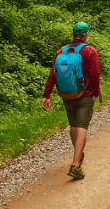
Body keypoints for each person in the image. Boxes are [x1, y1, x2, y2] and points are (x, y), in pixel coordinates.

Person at [41, 22, 100, 180]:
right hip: (85, 95)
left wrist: (47, 95)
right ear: (86, 35)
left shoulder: (60, 51)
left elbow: (53, 74)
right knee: (82, 127)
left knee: (73, 126)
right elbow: (94, 74)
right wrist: (95, 94)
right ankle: (75, 165)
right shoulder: (90, 51)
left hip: (66, 94)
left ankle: (77, 155)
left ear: (73, 34)